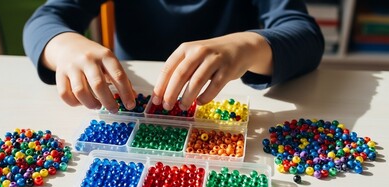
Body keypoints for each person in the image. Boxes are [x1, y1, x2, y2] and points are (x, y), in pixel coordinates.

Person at [23, 0, 324, 113]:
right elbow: (46, 18)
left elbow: (305, 35)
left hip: (217, 96)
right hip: (132, 100)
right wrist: (63, 46)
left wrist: (246, 46)